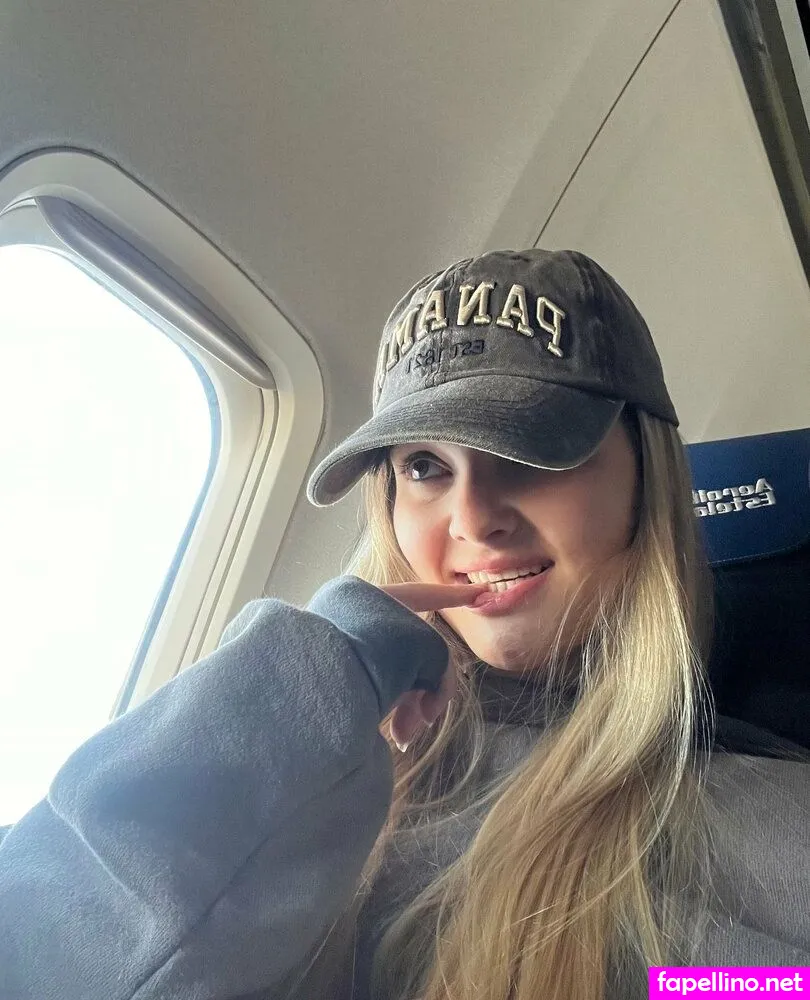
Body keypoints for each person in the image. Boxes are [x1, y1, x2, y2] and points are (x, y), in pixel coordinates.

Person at [0, 249, 807, 1000]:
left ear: (647, 479)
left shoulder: (768, 822)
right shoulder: (317, 771)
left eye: (530, 452)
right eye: (425, 467)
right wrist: (304, 688)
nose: (473, 518)